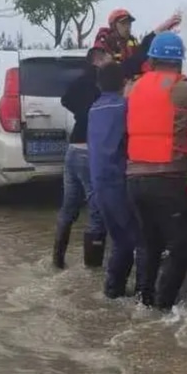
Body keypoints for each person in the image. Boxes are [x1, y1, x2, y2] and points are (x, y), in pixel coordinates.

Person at [125, 31, 187, 309]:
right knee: (182, 247)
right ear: (178, 61)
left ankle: (142, 300)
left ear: (153, 59)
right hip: (168, 179)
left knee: (149, 245)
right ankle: (163, 306)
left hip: (134, 180)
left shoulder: (133, 87)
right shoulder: (182, 88)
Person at [87, 62, 140, 299]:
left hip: (99, 183)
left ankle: (113, 290)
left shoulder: (94, 108)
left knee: (119, 239)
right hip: (119, 182)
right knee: (132, 240)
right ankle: (125, 293)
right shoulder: (125, 107)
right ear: (123, 82)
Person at [54, 46, 108, 269]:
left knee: (69, 208)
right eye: (106, 59)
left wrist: (80, 113)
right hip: (89, 148)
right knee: (96, 210)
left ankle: (57, 261)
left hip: (73, 149)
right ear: (97, 60)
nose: (110, 62)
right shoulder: (99, 84)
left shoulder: (78, 82)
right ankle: (92, 270)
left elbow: (64, 100)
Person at [93, 9, 182, 80]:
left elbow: (141, 54)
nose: (127, 26)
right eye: (123, 23)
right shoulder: (105, 40)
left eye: (129, 23)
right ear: (113, 25)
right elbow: (105, 69)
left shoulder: (132, 41)